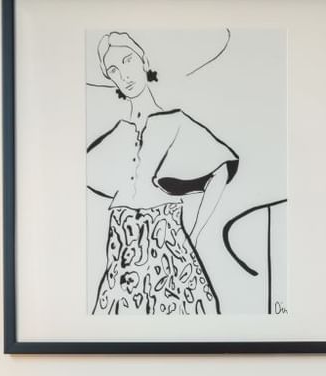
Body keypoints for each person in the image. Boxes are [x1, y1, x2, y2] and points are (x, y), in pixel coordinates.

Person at [86, 32, 239, 315]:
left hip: (165, 238)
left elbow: (221, 168)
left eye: (127, 60)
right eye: (113, 70)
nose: (124, 74)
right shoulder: (116, 135)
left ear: (143, 60)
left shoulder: (175, 122)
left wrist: (192, 231)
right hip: (122, 244)